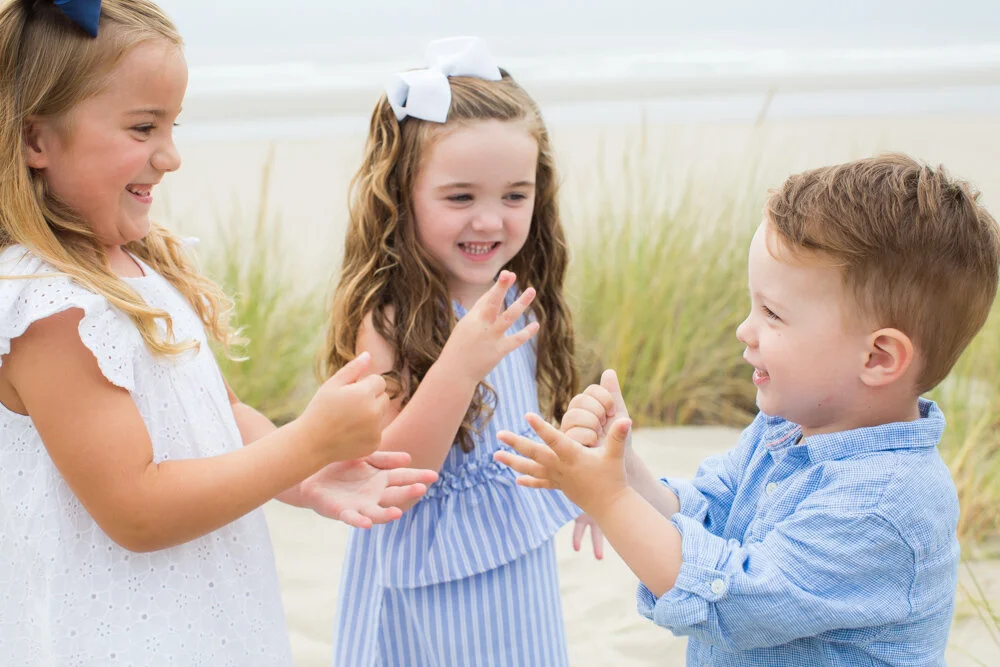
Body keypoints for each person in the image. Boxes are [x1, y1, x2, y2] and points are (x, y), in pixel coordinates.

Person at [0, 1, 436, 663]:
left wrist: (305, 467)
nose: (170, 156)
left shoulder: (140, 265)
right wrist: (305, 444)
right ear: (36, 140)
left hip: (207, 622)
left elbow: (219, 415)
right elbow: (136, 507)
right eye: (143, 127)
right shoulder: (50, 307)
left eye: (173, 126)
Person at [497, 154, 1000, 665]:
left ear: (878, 357)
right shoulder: (786, 426)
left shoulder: (885, 503)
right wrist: (624, 472)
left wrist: (608, 502)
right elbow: (709, 519)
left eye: (774, 314)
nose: (745, 330)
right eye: (752, 305)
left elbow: (731, 602)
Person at [323, 36, 594, 666]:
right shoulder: (391, 318)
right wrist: (461, 364)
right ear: (402, 195)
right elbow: (391, 473)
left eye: (514, 196)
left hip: (513, 570)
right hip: (425, 586)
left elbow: (520, 435)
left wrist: (590, 484)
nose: (490, 221)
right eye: (460, 196)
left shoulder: (517, 300)